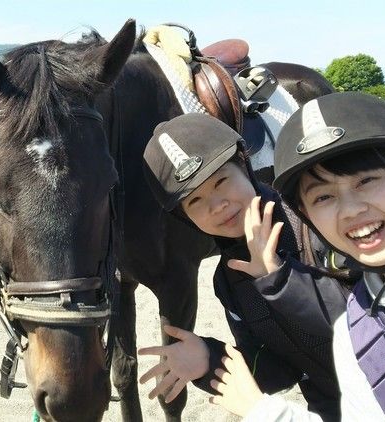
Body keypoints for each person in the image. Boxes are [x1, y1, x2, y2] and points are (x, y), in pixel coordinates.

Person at [210, 92, 385, 421]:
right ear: (304, 213)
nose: (351, 210)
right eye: (323, 197)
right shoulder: (354, 335)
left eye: (366, 180)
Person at [137, 112, 353, 421]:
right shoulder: (229, 279)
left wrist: (279, 278)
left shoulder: (315, 222)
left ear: (245, 165)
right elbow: (277, 373)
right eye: (195, 202)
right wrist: (208, 359)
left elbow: (370, 331)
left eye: (221, 181)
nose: (217, 205)